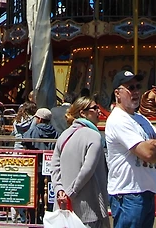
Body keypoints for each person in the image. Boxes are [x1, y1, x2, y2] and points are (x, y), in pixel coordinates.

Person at [105, 70, 156, 228]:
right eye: (130, 88)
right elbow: (149, 155)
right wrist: (155, 148)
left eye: (137, 87)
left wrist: (151, 143)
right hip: (128, 194)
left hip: (146, 192)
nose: (135, 92)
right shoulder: (118, 119)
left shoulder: (141, 119)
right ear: (117, 93)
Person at [53, 96, 109, 228]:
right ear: (83, 113)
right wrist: (72, 191)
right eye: (94, 108)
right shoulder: (94, 136)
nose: (99, 111)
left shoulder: (64, 136)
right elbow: (88, 168)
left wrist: (60, 190)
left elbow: (54, 167)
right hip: (89, 208)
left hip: (64, 206)